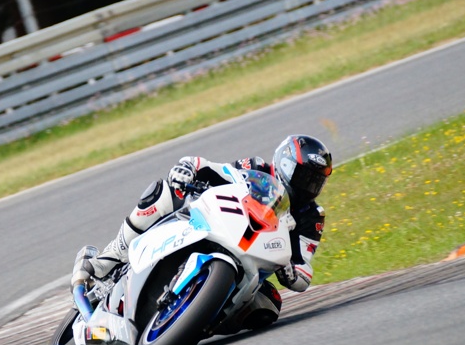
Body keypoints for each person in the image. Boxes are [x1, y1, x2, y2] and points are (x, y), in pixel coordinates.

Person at [71, 134, 332, 330]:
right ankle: (109, 258)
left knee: (269, 307)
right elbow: (216, 170)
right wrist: (187, 168)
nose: (309, 186)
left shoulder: (312, 217)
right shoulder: (257, 168)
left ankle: (197, 324)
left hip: (254, 262)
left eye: (316, 181)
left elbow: (304, 274)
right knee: (163, 192)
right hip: (217, 225)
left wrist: (291, 272)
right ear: (284, 163)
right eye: (303, 177)